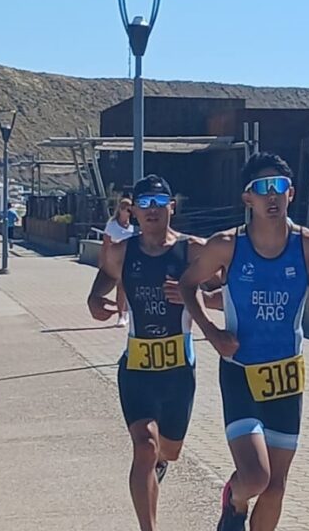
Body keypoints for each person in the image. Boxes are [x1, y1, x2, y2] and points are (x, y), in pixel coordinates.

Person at [179, 152, 309, 531]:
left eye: (279, 187)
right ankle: (235, 499)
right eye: (263, 188)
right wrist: (212, 333)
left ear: (291, 194)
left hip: (287, 374)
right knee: (255, 478)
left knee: (276, 486)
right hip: (240, 370)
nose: (272, 195)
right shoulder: (226, 245)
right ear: (247, 198)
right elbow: (188, 285)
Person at [86, 174, 222, 531]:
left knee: (169, 451)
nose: (152, 210)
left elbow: (231, 286)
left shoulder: (193, 250)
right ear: (133, 211)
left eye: (159, 203)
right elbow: (105, 275)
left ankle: (158, 467)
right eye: (144, 204)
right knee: (144, 446)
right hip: (137, 368)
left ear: (171, 208)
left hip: (178, 370)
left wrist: (199, 298)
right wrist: (95, 300)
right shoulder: (122, 251)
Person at [101, 197, 137, 327]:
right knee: (121, 287)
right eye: (124, 208)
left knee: (132, 289)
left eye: (129, 209)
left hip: (133, 261)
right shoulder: (112, 225)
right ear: (120, 210)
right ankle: (121, 315)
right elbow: (105, 244)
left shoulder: (135, 227)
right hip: (118, 261)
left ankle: (129, 313)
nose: (127, 212)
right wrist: (103, 262)